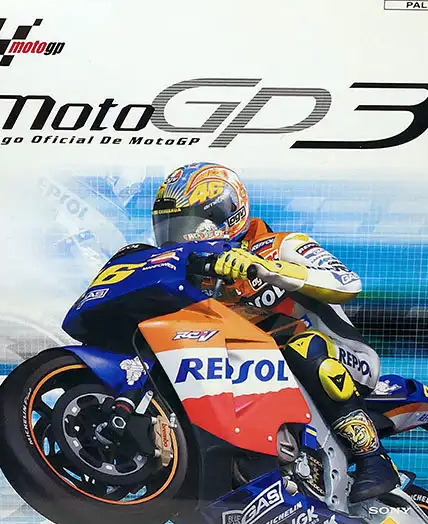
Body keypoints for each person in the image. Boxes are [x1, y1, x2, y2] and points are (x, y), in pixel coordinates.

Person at [151, 162, 406, 504]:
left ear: (227, 216)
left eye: (188, 227)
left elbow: (348, 283)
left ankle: (373, 459)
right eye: (168, 230)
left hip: (340, 356)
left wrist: (270, 270)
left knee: (303, 347)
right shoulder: (193, 275)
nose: (178, 239)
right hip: (260, 369)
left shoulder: (282, 246)